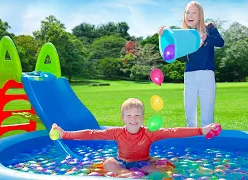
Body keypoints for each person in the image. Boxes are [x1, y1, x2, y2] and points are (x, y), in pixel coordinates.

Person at [51, 98, 221, 177]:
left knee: (150, 169)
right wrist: (65, 134)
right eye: (129, 116)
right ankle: (126, 173)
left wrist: (202, 130)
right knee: (108, 162)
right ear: (123, 118)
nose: (133, 119)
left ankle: (132, 174)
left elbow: (174, 131)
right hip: (122, 162)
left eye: (137, 116)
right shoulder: (117, 132)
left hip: (144, 162)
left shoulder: (149, 132)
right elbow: (91, 134)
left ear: (142, 117)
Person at [158, 1, 224, 128]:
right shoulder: (184, 33)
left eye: (194, 12)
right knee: (189, 109)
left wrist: (206, 38)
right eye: (188, 12)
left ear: (200, 15)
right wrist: (163, 34)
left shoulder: (209, 27)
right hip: (189, 75)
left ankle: (207, 138)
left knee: (207, 110)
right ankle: (191, 140)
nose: (190, 15)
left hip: (206, 74)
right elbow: (172, 52)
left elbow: (220, 42)